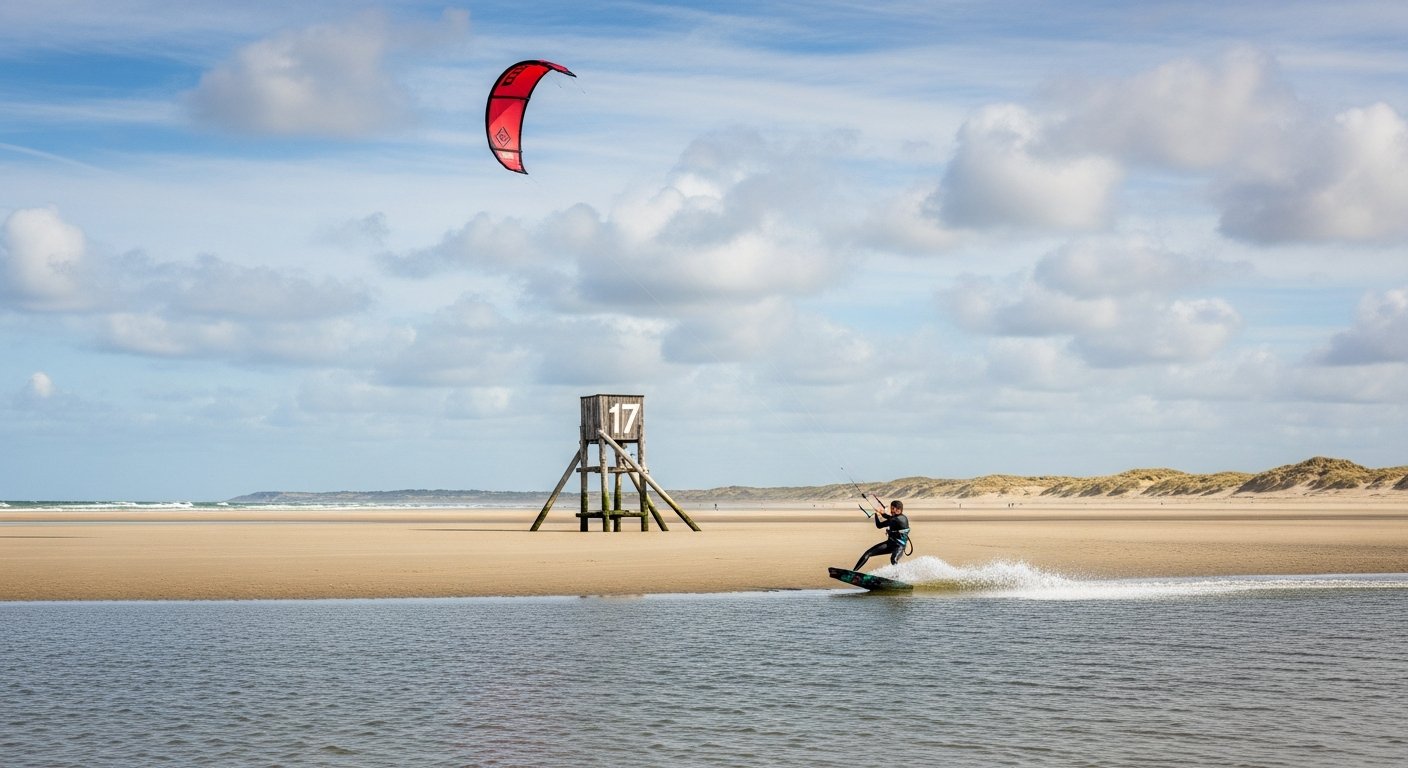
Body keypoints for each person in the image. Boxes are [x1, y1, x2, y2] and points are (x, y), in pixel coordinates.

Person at [853, 499, 910, 571]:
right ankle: (854, 572)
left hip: (899, 546)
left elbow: (885, 521)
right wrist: (879, 514)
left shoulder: (902, 518)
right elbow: (883, 522)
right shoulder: (893, 519)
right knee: (868, 553)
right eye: (890, 508)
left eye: (892, 509)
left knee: (893, 559)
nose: (890, 510)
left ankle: (899, 577)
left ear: (899, 510)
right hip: (890, 543)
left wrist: (879, 513)